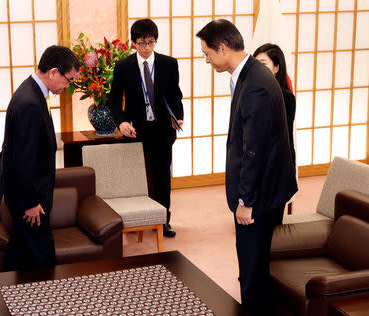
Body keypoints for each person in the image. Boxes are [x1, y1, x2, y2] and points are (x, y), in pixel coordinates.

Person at [196, 20, 298, 315]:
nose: (207, 60)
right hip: (267, 187)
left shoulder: (255, 84)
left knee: (252, 269)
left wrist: (246, 202)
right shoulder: (250, 74)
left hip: (261, 194)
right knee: (255, 265)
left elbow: (254, 150)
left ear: (223, 48)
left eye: (207, 54)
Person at [0, 45, 80, 271]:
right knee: (43, 258)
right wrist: (31, 203)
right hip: (29, 198)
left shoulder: (31, 91)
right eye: (69, 80)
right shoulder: (30, 102)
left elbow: (11, 144)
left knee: (20, 252)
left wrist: (2, 171)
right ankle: (47, 303)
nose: (68, 87)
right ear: (52, 72)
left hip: (25, 192)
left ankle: (7, 299)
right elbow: (24, 157)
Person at [108, 19, 184, 238]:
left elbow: (175, 95)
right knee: (135, 177)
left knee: (162, 177)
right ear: (133, 43)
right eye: (142, 43)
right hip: (135, 130)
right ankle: (135, 220)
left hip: (162, 130)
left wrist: (178, 117)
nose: (147, 47)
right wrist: (121, 122)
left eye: (151, 42)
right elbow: (113, 101)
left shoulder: (169, 64)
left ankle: (163, 221)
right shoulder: (123, 67)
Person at [254, 43, 296, 165]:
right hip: (257, 158)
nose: (258, 69)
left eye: (263, 64)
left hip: (278, 160)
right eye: (255, 64)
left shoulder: (286, 97)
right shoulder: (252, 94)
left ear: (276, 68)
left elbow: (282, 136)